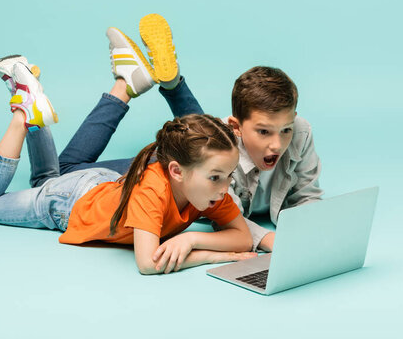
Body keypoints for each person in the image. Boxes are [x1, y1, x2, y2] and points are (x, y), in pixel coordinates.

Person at [0, 54, 255, 274]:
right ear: (177, 171)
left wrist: (190, 241)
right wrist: (217, 256)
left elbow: (242, 238)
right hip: (69, 202)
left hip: (101, 184)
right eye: (217, 177)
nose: (225, 187)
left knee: (46, 179)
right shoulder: (153, 190)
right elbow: (148, 263)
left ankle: (32, 105)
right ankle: (22, 117)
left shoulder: (208, 187)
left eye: (229, 175)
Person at [91, 13, 324, 253]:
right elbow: (225, 214)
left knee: (208, 137)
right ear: (237, 127)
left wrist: (311, 230)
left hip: (200, 149)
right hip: (169, 162)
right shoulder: (212, 161)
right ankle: (133, 86)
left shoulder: (300, 132)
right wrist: (268, 240)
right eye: (264, 131)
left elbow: (307, 194)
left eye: (286, 130)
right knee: (64, 170)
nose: (277, 144)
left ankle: (173, 84)